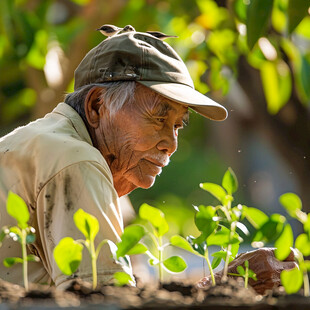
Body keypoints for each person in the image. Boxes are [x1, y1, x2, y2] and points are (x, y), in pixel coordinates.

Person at [0, 26, 296, 292]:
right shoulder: (76, 159)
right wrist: (227, 285)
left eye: (178, 125)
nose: (171, 143)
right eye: (158, 118)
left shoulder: (43, 141)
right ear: (96, 107)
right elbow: (106, 302)